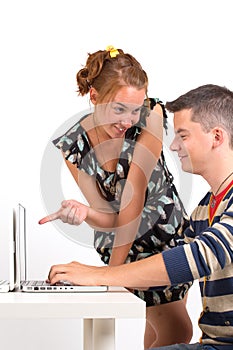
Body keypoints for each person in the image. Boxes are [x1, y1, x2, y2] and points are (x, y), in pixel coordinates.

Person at [44, 84, 233, 350]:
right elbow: (177, 259)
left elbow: (197, 257)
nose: (174, 146)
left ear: (216, 137)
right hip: (214, 343)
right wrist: (87, 216)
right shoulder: (204, 211)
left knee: (174, 327)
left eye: (183, 135)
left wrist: (102, 276)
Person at [39, 46, 193, 348]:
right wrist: (86, 212)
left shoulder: (151, 117)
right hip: (122, 246)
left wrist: (109, 277)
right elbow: (107, 215)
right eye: (119, 109)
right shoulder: (74, 145)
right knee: (166, 329)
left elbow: (133, 204)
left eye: (135, 110)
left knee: (173, 329)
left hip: (164, 240)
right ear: (94, 97)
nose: (128, 120)